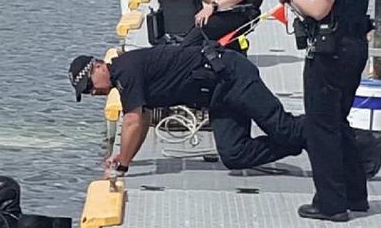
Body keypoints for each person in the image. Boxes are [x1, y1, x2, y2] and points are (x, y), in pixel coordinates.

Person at [279, 0, 380, 222]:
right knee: (339, 121)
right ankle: (355, 194)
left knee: (321, 127)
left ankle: (330, 204)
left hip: (331, 50)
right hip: (355, 47)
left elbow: (320, 9)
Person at [68, 42, 305, 176]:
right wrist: (125, 155)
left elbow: (133, 121)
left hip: (232, 76)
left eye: (89, 86)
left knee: (282, 128)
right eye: (86, 93)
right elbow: (144, 118)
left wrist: (123, 166)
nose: (93, 92)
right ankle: (305, 139)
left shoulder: (125, 71)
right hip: (217, 97)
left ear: (98, 66)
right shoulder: (125, 79)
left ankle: (322, 130)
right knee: (234, 156)